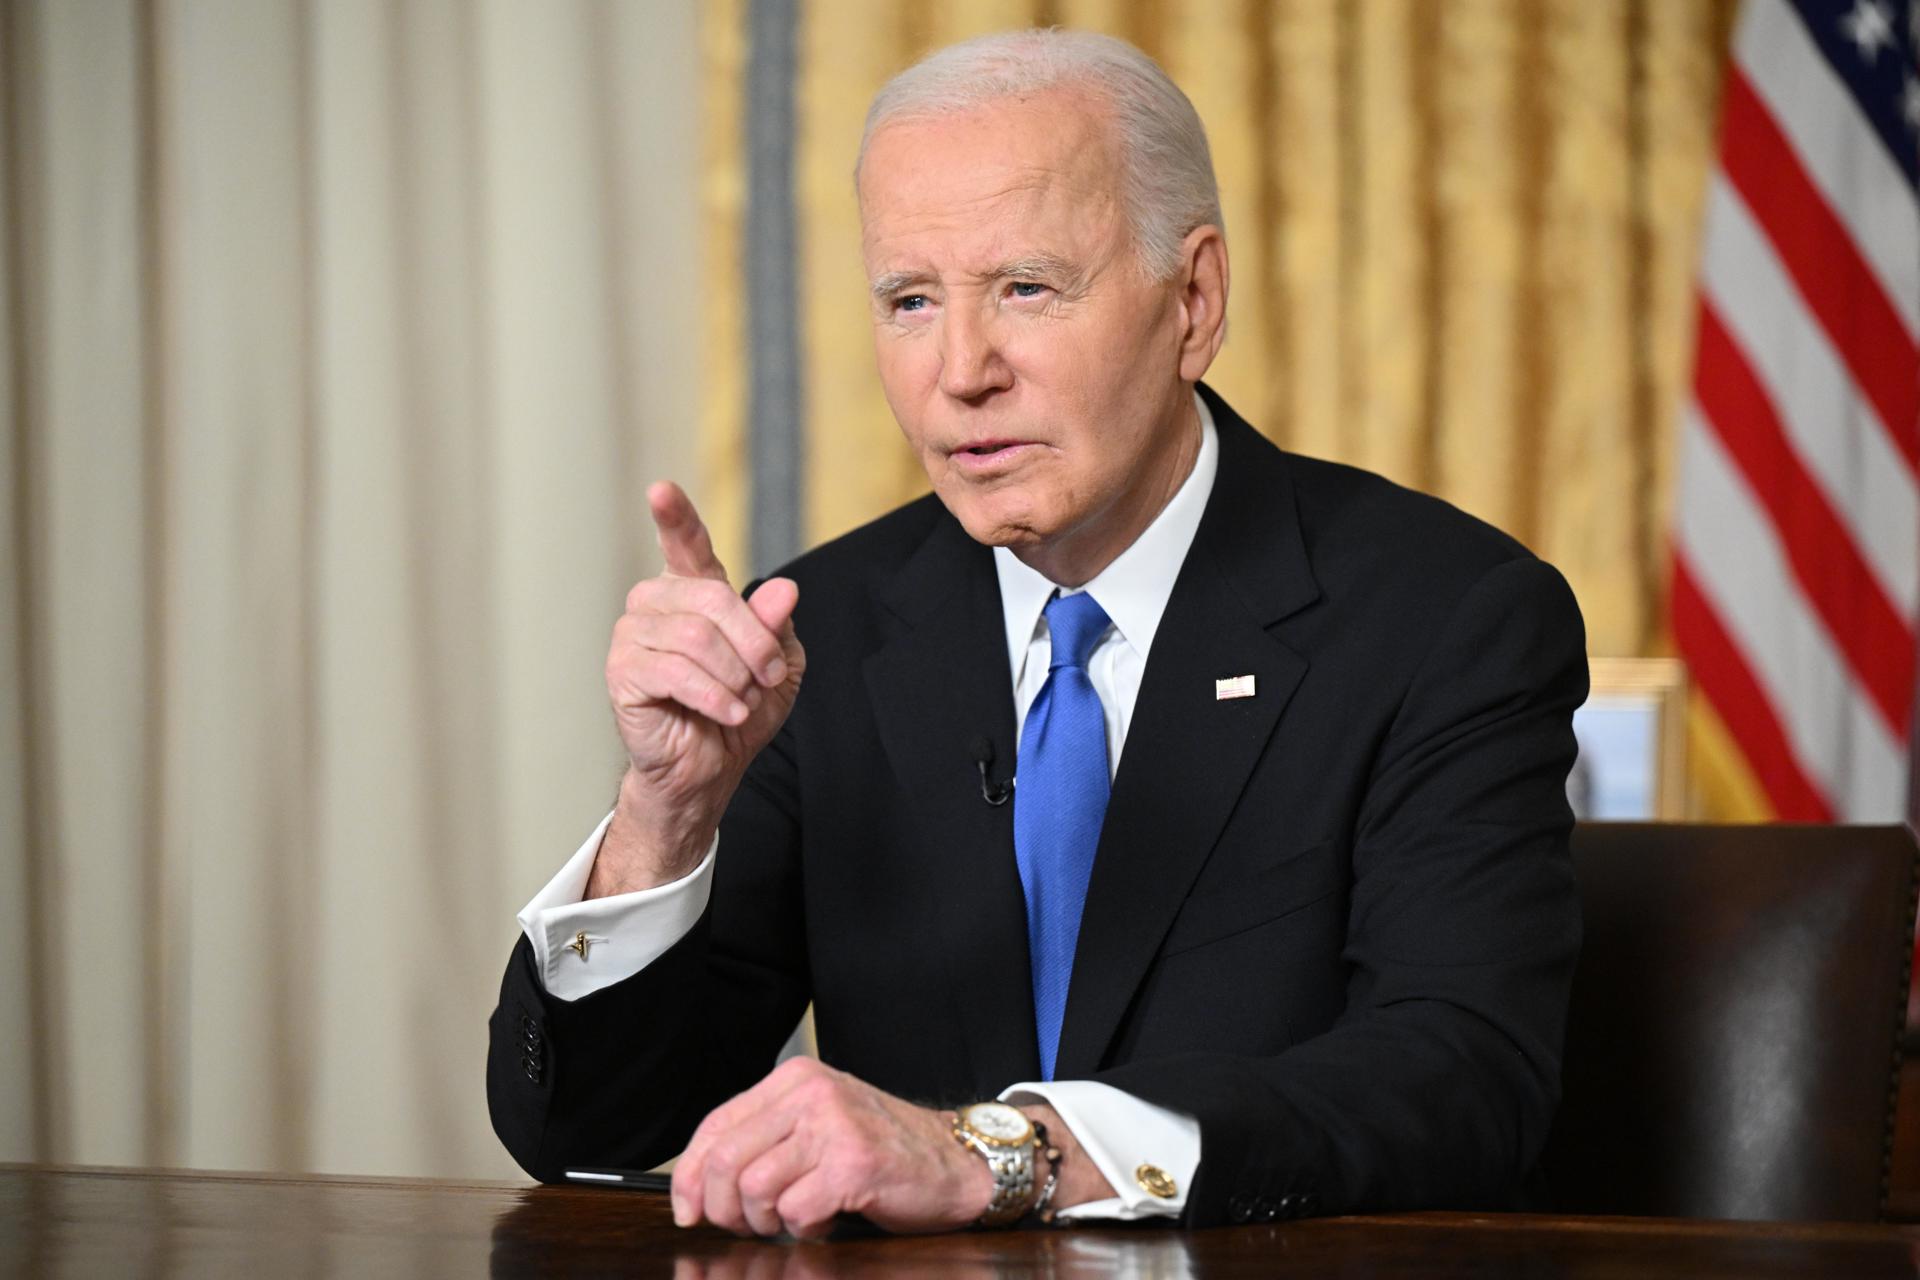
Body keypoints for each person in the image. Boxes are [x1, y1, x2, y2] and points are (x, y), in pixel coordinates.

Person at [486, 28, 1586, 1239]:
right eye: (911, 301)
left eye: (1025, 288)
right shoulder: (827, 631)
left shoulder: (1444, 616)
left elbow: (1467, 1075)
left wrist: (1003, 1152)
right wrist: (664, 818)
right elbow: (583, 1133)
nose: (961, 370)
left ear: (1195, 300)